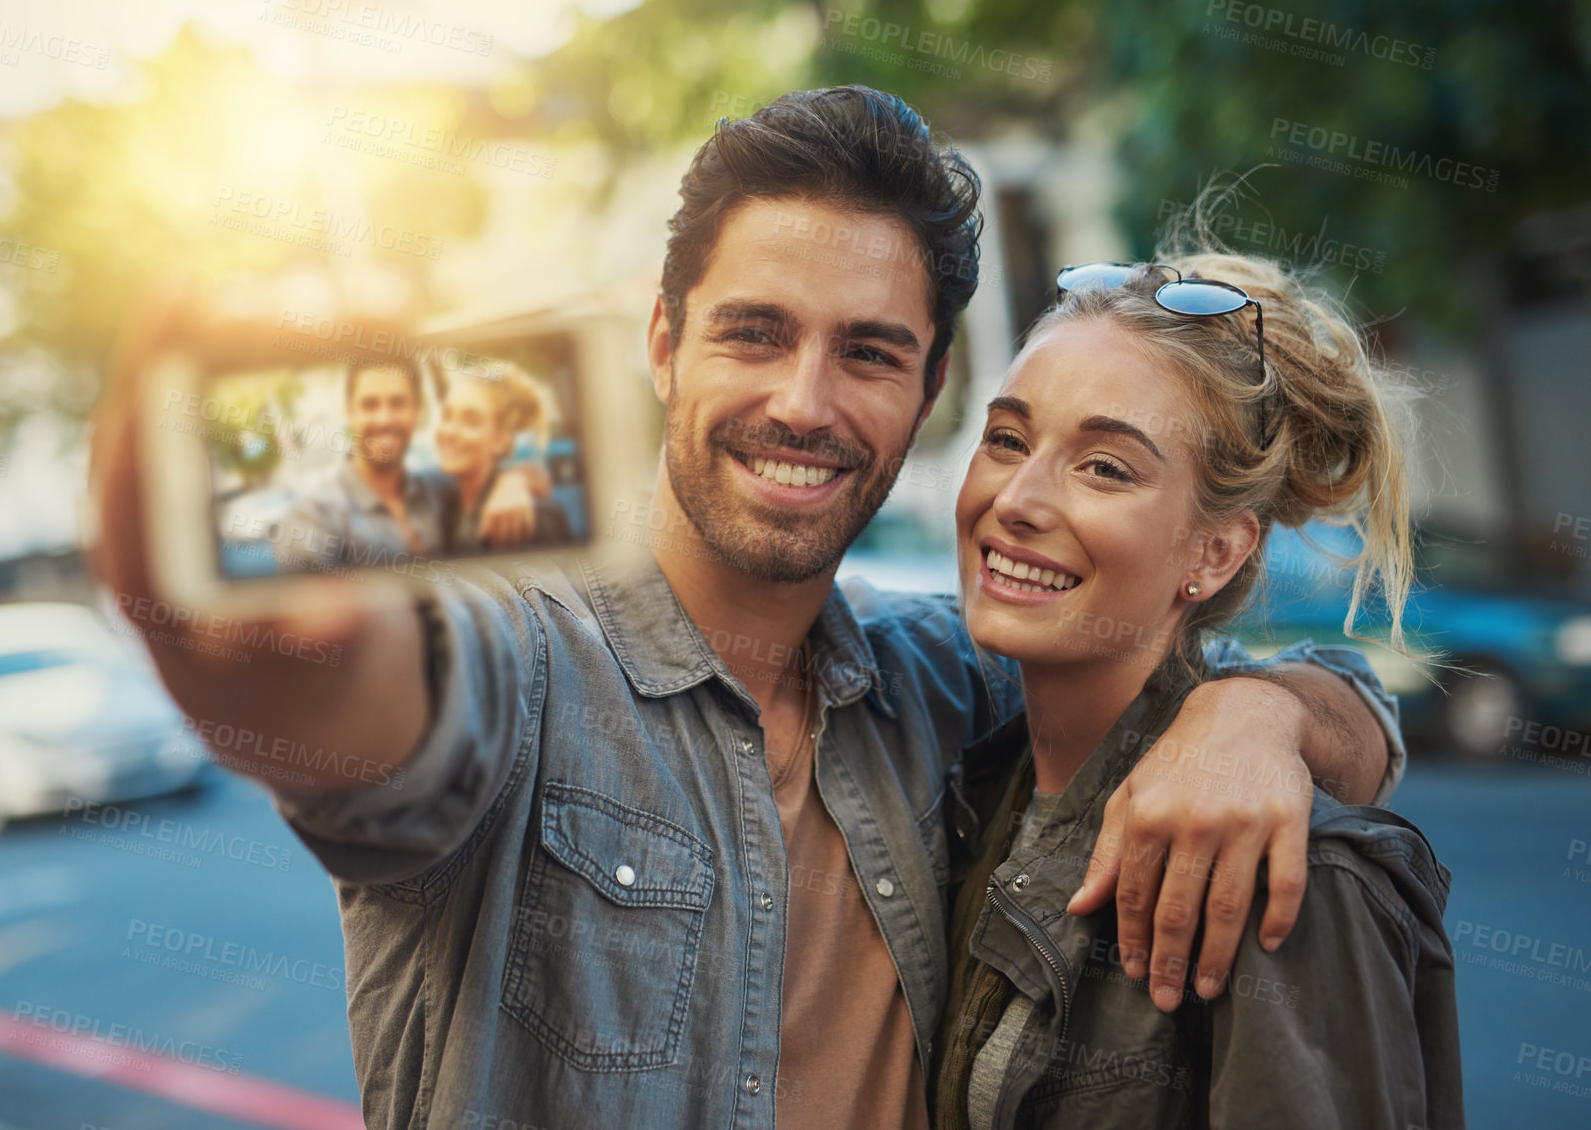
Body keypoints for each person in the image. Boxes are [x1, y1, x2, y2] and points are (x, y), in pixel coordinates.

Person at [90, 88, 1407, 1130]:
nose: (803, 401)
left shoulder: (947, 680)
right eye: (754, 332)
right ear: (662, 341)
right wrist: (212, 583)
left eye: (869, 351)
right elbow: (317, 690)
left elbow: (1208, 677)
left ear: (929, 387)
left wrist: (1265, 712)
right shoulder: (521, 653)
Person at [934, 252, 1462, 1129]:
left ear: (1213, 552)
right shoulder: (971, 777)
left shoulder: (1277, 865)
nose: (1019, 499)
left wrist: (1266, 711)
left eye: (1105, 468)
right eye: (1008, 439)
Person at [274, 356, 545, 574]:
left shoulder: (438, 489)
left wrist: (513, 480)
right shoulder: (313, 515)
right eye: (369, 405)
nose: (384, 419)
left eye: (398, 403)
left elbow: (493, 475)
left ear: (418, 410)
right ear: (349, 411)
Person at [430, 363, 572, 551]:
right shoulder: (444, 505)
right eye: (447, 416)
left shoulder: (529, 519)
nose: (449, 432)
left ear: (501, 441)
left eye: (471, 422)